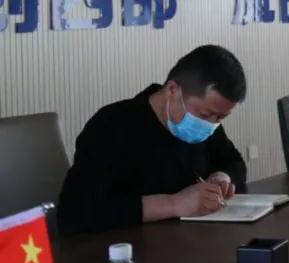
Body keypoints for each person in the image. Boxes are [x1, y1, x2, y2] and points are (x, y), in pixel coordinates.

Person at [57, 45, 248, 235]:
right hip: (128, 246)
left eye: (220, 118)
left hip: (192, 240)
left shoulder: (206, 124)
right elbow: (75, 214)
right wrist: (173, 204)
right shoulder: (111, 126)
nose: (211, 124)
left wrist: (222, 177)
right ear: (172, 90)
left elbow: (235, 162)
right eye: (206, 114)